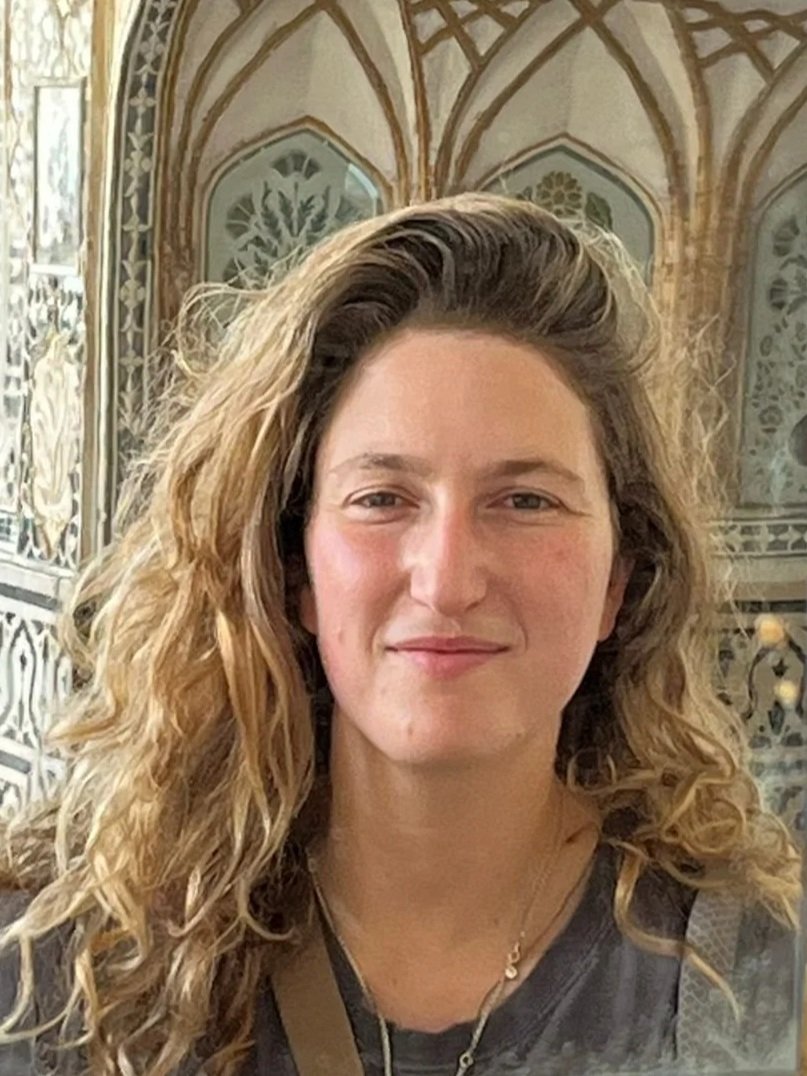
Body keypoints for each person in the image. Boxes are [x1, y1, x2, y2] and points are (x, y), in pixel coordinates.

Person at [0, 192, 800, 1076]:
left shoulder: (758, 988)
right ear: (295, 570)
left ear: (620, 579)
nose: (446, 579)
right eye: (382, 498)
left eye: (525, 500)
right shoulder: (65, 974)